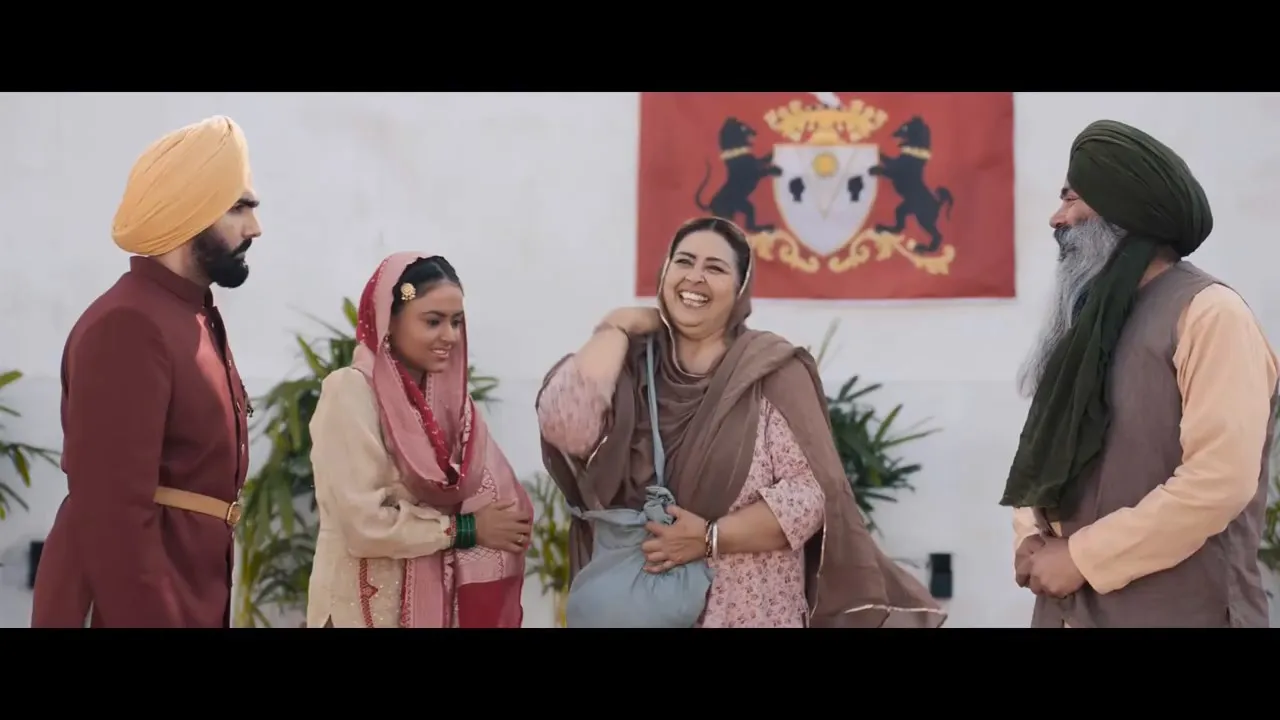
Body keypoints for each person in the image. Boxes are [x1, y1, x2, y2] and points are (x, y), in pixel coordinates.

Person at [537, 216, 946, 628]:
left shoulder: (770, 371)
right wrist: (615, 326)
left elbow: (808, 495)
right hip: (641, 609)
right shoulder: (632, 367)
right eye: (684, 261)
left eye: (715, 268)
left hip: (745, 610)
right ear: (664, 273)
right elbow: (565, 426)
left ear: (739, 290)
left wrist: (709, 537)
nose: (695, 277)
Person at [1003, 120, 1279, 628]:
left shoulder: (1210, 314)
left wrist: (1082, 557)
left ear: (1121, 210)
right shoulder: (1085, 323)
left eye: (1071, 199)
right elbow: (1046, 446)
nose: (1056, 219)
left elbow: (1218, 481)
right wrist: (1029, 536)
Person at [31, 115, 262, 628]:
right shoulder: (129, 324)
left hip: (187, 587)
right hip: (133, 602)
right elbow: (111, 514)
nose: (255, 228)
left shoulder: (188, 314)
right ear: (189, 210)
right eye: (239, 207)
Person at [306, 253, 533, 628]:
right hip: (359, 610)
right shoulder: (351, 392)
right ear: (389, 320)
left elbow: (498, 500)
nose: (450, 336)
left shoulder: (452, 408)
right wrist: (466, 529)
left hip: (436, 608)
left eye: (456, 322)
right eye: (433, 321)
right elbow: (363, 526)